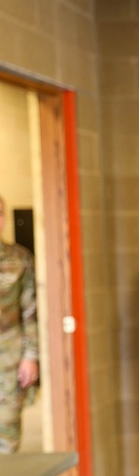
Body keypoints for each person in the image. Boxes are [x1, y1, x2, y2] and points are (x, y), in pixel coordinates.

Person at [0, 194, 39, 456]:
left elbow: (30, 310)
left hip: (9, 358)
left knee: (7, 430)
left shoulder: (19, 259)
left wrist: (30, 356)